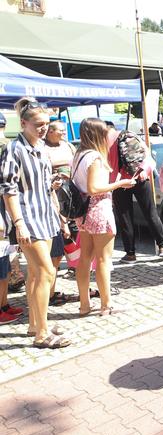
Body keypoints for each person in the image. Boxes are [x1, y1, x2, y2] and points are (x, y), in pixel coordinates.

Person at [0, 98, 68, 348]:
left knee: (36, 275)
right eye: (38, 124)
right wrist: (18, 222)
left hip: (45, 215)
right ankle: (42, 334)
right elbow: (8, 189)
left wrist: (54, 194)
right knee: (46, 272)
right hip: (27, 219)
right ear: (24, 122)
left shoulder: (40, 147)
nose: (43, 128)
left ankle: (36, 325)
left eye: (46, 124)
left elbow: (39, 184)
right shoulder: (13, 149)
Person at [72, 118, 136, 317]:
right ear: (98, 134)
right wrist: (120, 183)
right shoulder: (95, 157)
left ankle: (84, 305)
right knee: (103, 259)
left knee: (85, 258)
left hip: (83, 213)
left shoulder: (79, 155)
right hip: (98, 209)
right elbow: (94, 188)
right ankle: (106, 305)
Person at [109, 128, 163, 264]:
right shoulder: (131, 135)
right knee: (151, 212)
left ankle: (130, 254)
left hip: (119, 182)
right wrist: (144, 169)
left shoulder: (106, 141)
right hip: (140, 177)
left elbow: (111, 165)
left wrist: (112, 185)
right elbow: (147, 154)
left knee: (125, 217)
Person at [44, 121, 75, 306]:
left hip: (70, 196)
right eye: (60, 130)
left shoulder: (68, 145)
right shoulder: (42, 148)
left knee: (69, 248)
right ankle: (49, 292)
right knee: (54, 253)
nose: (64, 133)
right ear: (50, 132)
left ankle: (54, 290)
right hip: (54, 198)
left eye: (65, 130)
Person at [0, 113, 26, 295]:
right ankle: (14, 277)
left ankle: (14, 276)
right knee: (6, 245)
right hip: (6, 204)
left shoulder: (6, 147)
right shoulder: (7, 146)